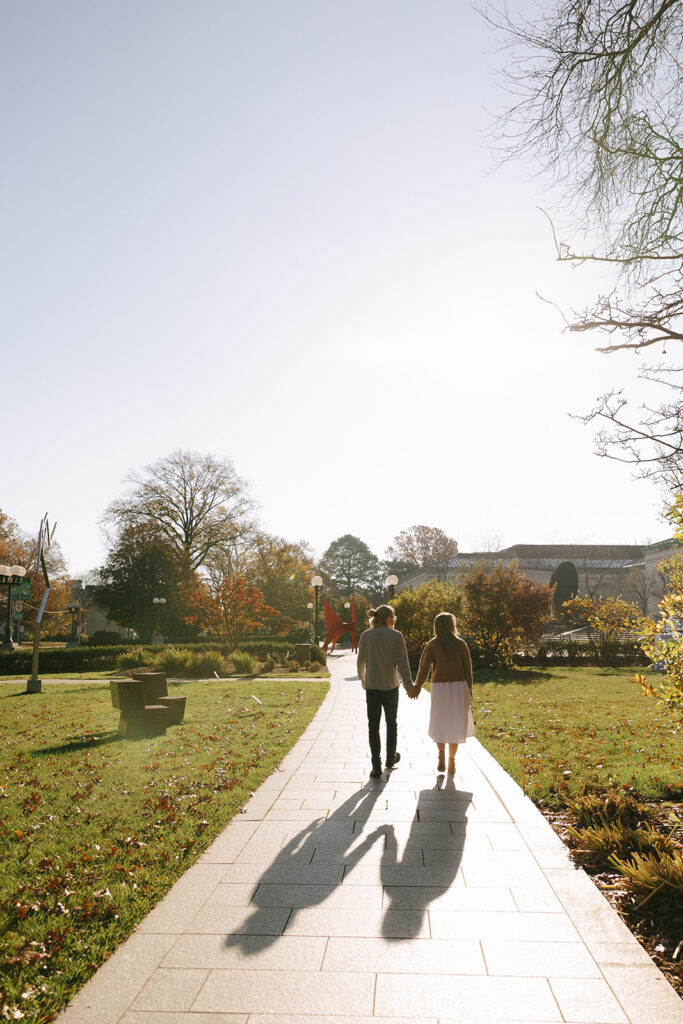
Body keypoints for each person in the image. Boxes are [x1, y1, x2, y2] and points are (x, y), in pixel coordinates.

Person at [356, 604, 417, 778]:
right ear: (390, 618)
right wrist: (408, 685)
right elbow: (403, 663)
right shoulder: (396, 636)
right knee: (392, 723)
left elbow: (360, 661)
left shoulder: (366, 636)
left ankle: (376, 765)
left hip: (372, 686)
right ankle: (390, 758)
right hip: (391, 686)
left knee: (373, 726)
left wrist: (363, 679)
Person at [414, 611, 474, 774]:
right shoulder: (461, 644)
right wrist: (470, 688)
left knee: (440, 721)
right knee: (455, 723)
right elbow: (467, 669)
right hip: (459, 686)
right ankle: (451, 761)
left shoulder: (433, 644)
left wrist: (418, 686)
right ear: (452, 625)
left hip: (440, 687)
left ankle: (440, 754)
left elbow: (424, 667)